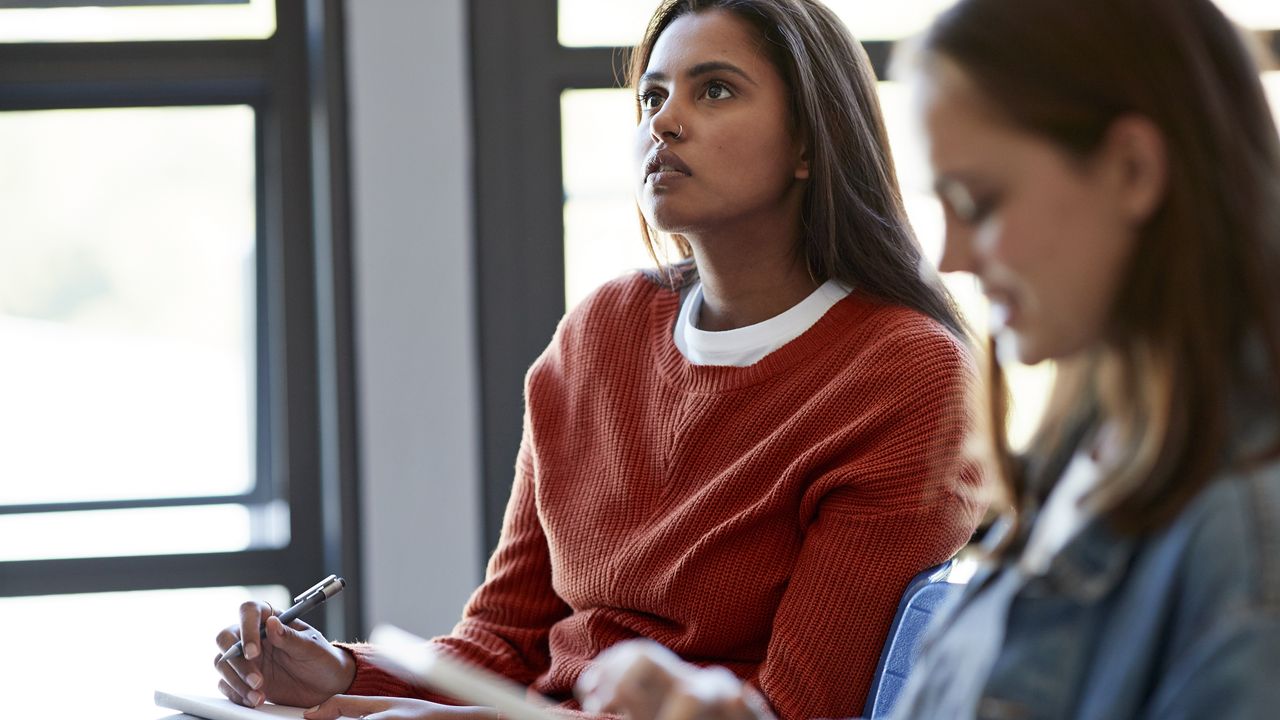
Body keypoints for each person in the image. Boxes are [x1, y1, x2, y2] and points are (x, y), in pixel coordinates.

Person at [214, 1, 985, 718]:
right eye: (651, 98)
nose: (665, 123)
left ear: (810, 144)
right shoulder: (600, 332)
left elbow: (798, 710)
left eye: (714, 91)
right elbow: (504, 645)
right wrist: (342, 672)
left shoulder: (907, 378)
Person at [573, 0, 1280, 718]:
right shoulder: (1089, 464)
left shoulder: (1244, 538)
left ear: (1133, 171)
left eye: (981, 201)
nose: (953, 256)